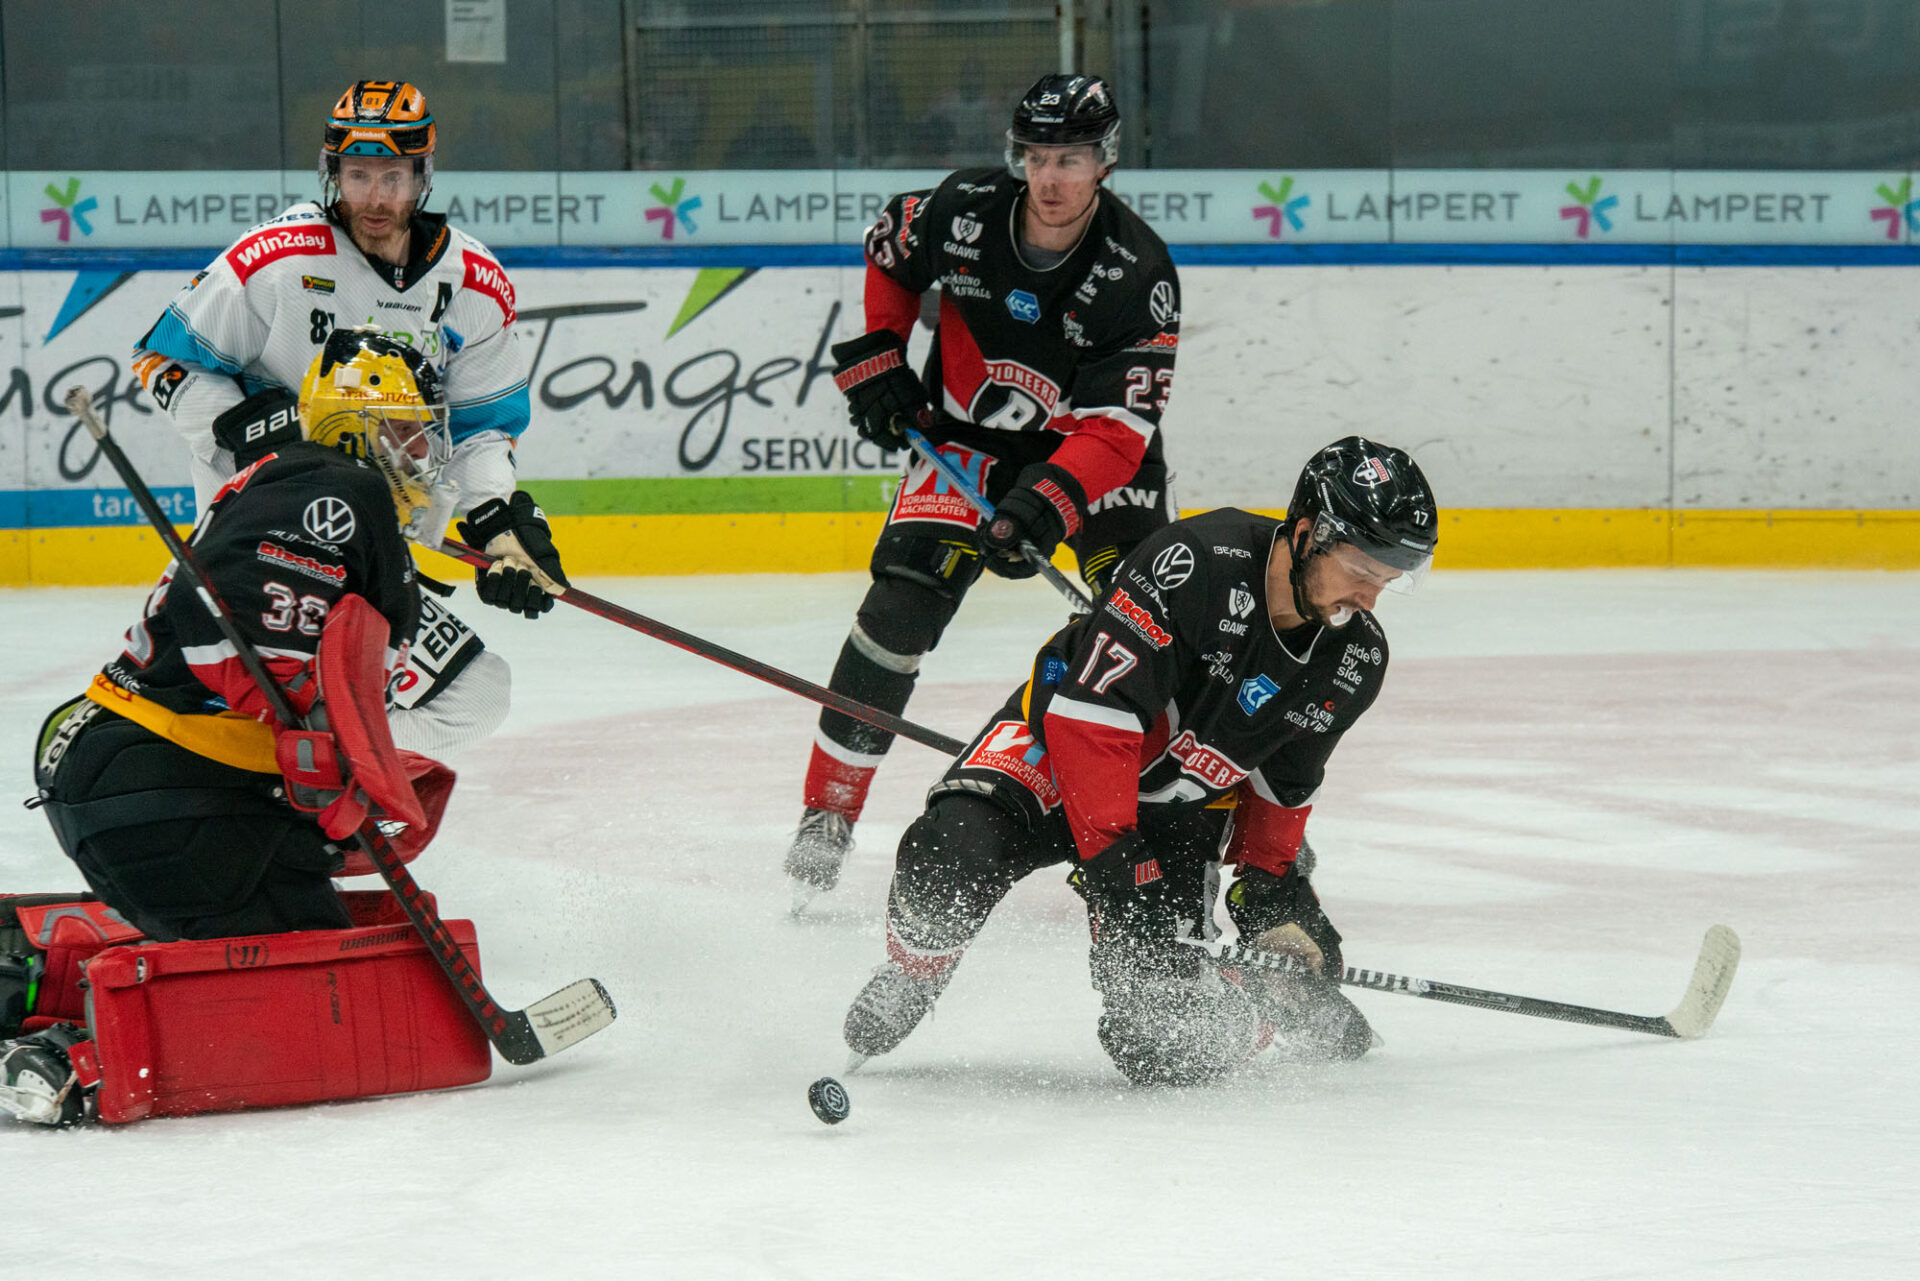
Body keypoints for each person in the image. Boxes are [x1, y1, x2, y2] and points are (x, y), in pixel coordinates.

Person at [837, 437, 1440, 1085]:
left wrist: (1274, 906)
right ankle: (914, 970)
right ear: (1306, 532)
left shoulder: (1355, 661)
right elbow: (1090, 720)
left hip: (1174, 812)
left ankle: (1254, 1003)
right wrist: (1119, 871)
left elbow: (1282, 786)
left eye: (1389, 577)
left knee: (1170, 1046)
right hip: (1055, 756)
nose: (1371, 597)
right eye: (1362, 568)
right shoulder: (1196, 563)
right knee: (946, 857)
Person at [1, 332, 464, 1125]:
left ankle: (36, 960)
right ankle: (70, 1056)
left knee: (313, 924)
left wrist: (329, 746)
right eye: (405, 429)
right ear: (356, 427)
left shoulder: (318, 487)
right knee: (313, 982)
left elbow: (302, 641)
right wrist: (283, 721)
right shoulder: (338, 483)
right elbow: (210, 612)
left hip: (140, 779)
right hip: (159, 787)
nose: (421, 451)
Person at [790, 73, 1185, 904]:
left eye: (1071, 159)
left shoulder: (1137, 272)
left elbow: (1117, 433)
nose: (1050, 178)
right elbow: (890, 252)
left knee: (1145, 638)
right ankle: (828, 812)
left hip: (1088, 456)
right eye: (1036, 156)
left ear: (1104, 162)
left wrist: (1044, 505)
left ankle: (1173, 821)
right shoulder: (963, 209)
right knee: (897, 609)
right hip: (964, 443)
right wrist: (878, 355)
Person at [131, 79, 567, 761]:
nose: (374, 197)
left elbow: (483, 427)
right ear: (332, 172)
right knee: (232, 694)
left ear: (423, 174)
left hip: (375, 554)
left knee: (478, 693)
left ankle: (309, 770)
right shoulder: (276, 260)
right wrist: (243, 424)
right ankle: (267, 777)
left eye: (392, 176)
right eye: (357, 175)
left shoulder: (474, 284)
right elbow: (161, 361)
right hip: (262, 542)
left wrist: (496, 520)